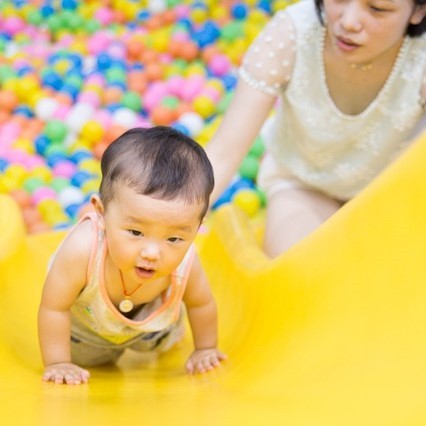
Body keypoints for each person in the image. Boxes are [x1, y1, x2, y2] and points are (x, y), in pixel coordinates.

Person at [206, 0, 426, 258]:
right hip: (305, 184)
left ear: (419, 11)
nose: (348, 22)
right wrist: (169, 225)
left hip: (393, 196)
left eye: (377, 9)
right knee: (300, 274)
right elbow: (222, 154)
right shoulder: (292, 34)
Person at [38, 126, 226, 385]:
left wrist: (205, 348)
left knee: (164, 338)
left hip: (151, 328)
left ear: (198, 226)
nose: (152, 253)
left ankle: (160, 335)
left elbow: (201, 304)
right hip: (87, 334)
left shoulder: (186, 261)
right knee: (91, 357)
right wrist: (58, 362)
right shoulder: (82, 250)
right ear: (101, 214)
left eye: (174, 238)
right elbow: (54, 307)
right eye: (136, 232)